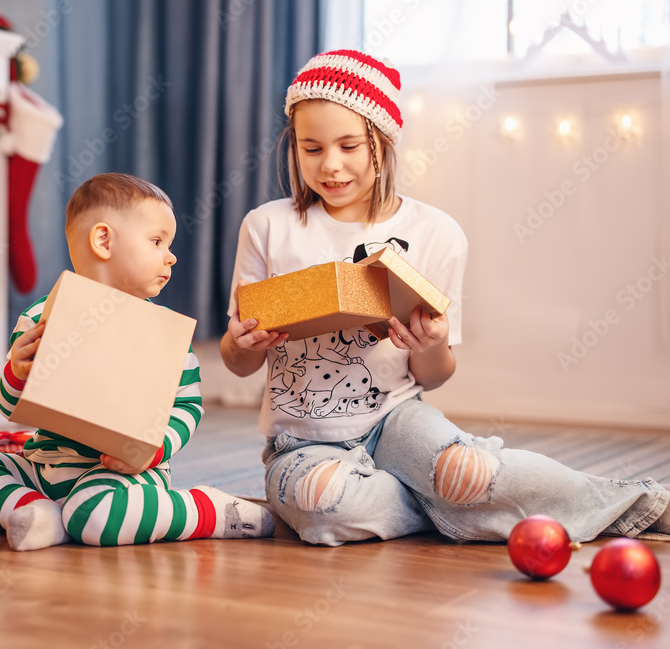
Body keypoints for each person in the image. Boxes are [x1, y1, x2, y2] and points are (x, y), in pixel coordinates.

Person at [220, 49, 670, 546]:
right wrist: (244, 345)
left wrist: (428, 344)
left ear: (383, 143)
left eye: (349, 146)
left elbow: (433, 376)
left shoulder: (436, 233)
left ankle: (640, 504)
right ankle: (440, 500)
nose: (331, 165)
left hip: (397, 420)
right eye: (311, 148)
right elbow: (238, 364)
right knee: (325, 509)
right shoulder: (265, 226)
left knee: (469, 471)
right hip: (300, 441)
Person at [0, 172, 275, 551]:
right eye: (157, 241)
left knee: (98, 515)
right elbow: (9, 406)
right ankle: (39, 514)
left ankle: (208, 509)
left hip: (120, 474)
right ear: (103, 240)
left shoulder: (163, 333)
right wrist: (17, 373)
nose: (171, 256)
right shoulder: (39, 319)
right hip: (42, 466)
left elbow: (187, 406)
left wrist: (153, 451)